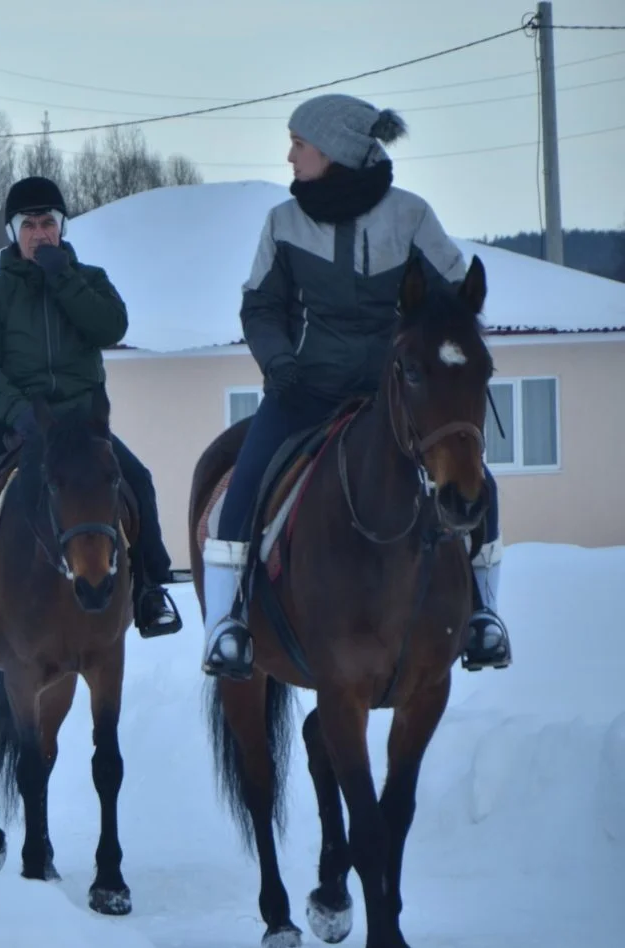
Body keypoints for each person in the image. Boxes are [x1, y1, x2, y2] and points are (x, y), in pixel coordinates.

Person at [198, 93, 511, 680]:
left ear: (334, 152)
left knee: (479, 484)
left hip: (396, 397)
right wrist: (278, 361)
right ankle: (228, 626)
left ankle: (485, 616)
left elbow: (452, 300)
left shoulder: (411, 216)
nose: (289, 156)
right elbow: (261, 305)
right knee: (239, 493)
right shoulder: (282, 223)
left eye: (299, 144)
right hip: (304, 391)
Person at [0, 175, 183, 645]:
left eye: (48, 223)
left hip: (81, 426)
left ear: (62, 227)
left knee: (137, 479)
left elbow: (109, 326)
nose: (40, 233)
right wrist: (16, 409)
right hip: (13, 424)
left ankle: (150, 591)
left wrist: (63, 278)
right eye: (29, 224)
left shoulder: (91, 281)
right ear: (13, 232)